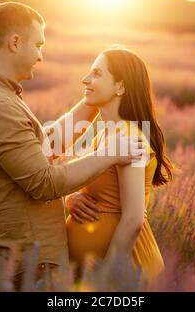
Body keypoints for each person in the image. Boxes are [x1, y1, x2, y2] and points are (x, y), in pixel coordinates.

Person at [0, 2, 144, 291]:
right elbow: (42, 182)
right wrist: (110, 153)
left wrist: (93, 100)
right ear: (15, 42)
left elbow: (43, 147)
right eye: (38, 44)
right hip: (24, 264)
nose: (41, 55)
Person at [66, 47, 174, 282]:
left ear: (120, 86)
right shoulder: (104, 135)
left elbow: (134, 218)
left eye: (96, 73)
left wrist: (106, 274)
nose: (86, 79)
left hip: (125, 271)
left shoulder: (129, 138)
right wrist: (71, 198)